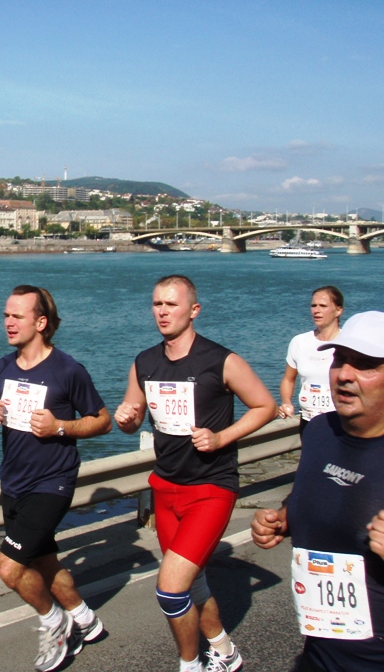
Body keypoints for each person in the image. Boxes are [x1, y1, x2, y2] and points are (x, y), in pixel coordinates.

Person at [114, 275, 277, 672]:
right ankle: (224, 651)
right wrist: (126, 419)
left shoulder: (221, 360)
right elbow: (132, 418)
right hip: (165, 489)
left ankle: (191, 664)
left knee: (171, 591)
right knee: (194, 582)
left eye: (171, 304)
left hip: (210, 488)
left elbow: (265, 406)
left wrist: (222, 437)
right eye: (157, 304)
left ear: (193, 310)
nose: (163, 312)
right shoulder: (145, 362)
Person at [251, 311, 384, 671]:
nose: (345, 374)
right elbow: (315, 491)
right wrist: (285, 517)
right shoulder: (319, 431)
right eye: (340, 360)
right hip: (318, 657)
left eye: (366, 365)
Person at [0, 285, 112, 672]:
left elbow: (104, 421)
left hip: (53, 480)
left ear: (41, 322)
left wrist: (61, 427)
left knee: (10, 567)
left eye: (17, 316)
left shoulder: (68, 370)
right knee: (44, 561)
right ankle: (87, 620)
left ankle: (55, 624)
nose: (8, 322)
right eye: (6, 315)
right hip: (13, 482)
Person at [278, 286, 344, 435]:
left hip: (341, 422)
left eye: (323, 306)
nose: (316, 310)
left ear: (338, 310)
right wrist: (286, 402)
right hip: (308, 421)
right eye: (313, 305)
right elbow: (288, 379)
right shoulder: (299, 342)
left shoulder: (348, 343)